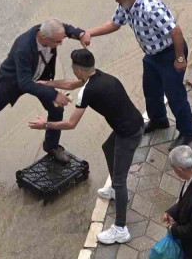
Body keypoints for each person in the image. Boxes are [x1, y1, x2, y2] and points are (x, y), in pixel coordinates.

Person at [28, 49, 144, 244]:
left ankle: (120, 228)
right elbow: (70, 84)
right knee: (108, 148)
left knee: (121, 179)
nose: (73, 71)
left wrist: (45, 125)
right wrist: (47, 84)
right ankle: (116, 192)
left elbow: (71, 124)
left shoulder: (87, 91)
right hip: (132, 123)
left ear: (79, 71)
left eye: (73, 67)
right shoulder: (99, 76)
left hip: (129, 134)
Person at [81, 0, 192, 149]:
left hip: (169, 53)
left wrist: (180, 59)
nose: (115, 0)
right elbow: (115, 23)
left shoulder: (151, 9)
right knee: (151, 90)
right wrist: (89, 32)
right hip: (152, 55)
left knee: (175, 96)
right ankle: (159, 120)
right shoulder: (127, 5)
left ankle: (188, 132)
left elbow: (176, 32)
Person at [0, 18, 86, 163]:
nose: (60, 44)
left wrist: (80, 34)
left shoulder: (49, 30)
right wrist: (55, 94)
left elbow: (64, 28)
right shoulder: (23, 48)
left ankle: (51, 146)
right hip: (13, 81)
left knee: (56, 110)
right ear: (43, 37)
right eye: (57, 42)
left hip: (40, 77)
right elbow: (25, 84)